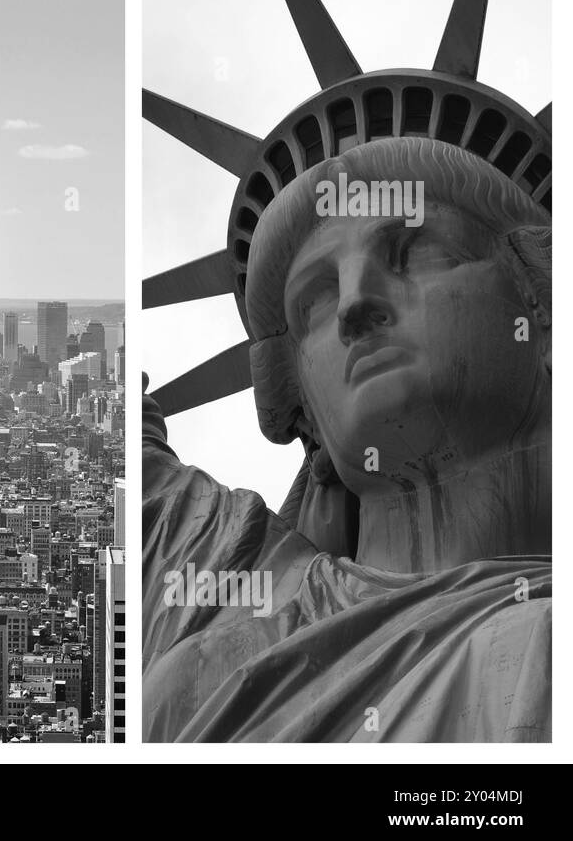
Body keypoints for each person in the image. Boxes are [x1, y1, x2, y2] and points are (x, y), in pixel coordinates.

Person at [143, 137, 551, 742]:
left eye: (416, 251)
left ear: (541, 303)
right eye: (314, 302)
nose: (355, 303)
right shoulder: (234, 593)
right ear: (303, 409)